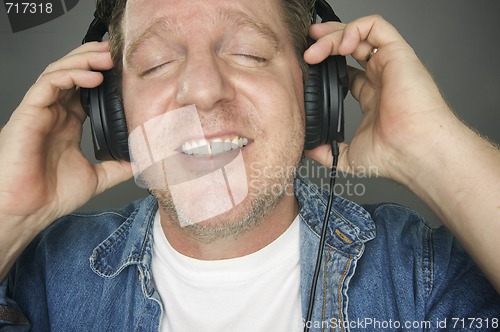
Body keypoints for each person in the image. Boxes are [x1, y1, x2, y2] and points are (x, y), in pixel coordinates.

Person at [1, 0, 499, 330]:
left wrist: (431, 148)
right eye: (154, 64)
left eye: (248, 53)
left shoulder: (422, 275)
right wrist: (9, 210)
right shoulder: (41, 276)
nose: (201, 90)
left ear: (315, 94)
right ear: (112, 112)